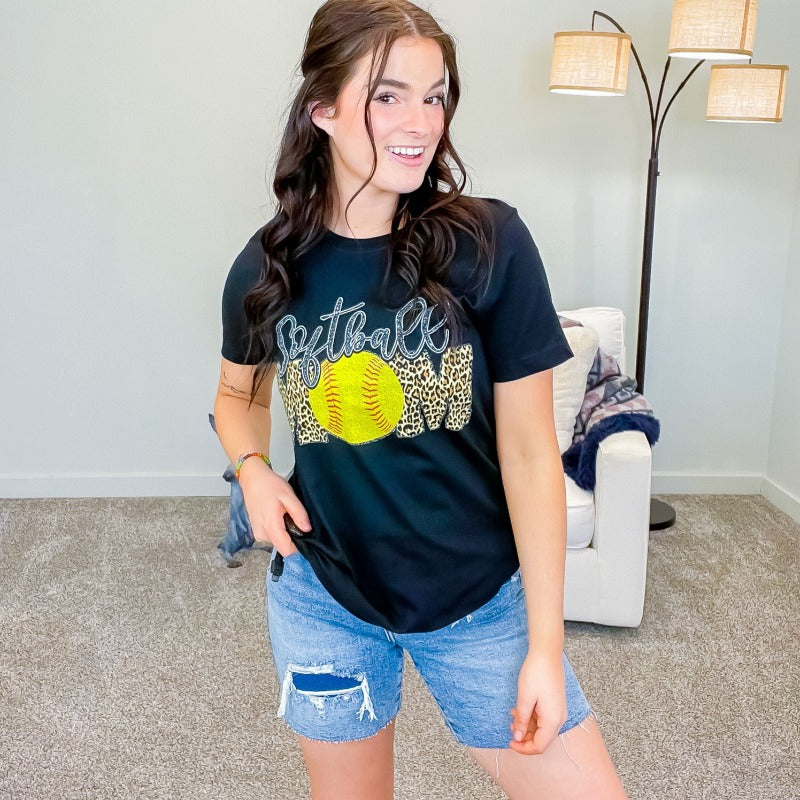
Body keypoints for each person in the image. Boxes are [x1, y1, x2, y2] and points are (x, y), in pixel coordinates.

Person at [213, 1, 628, 798]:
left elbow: (531, 453)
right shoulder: (269, 268)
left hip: (481, 603)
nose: (421, 123)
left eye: (434, 96)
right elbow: (236, 396)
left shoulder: (488, 243)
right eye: (388, 95)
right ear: (323, 109)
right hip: (326, 597)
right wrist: (254, 471)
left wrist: (545, 646)